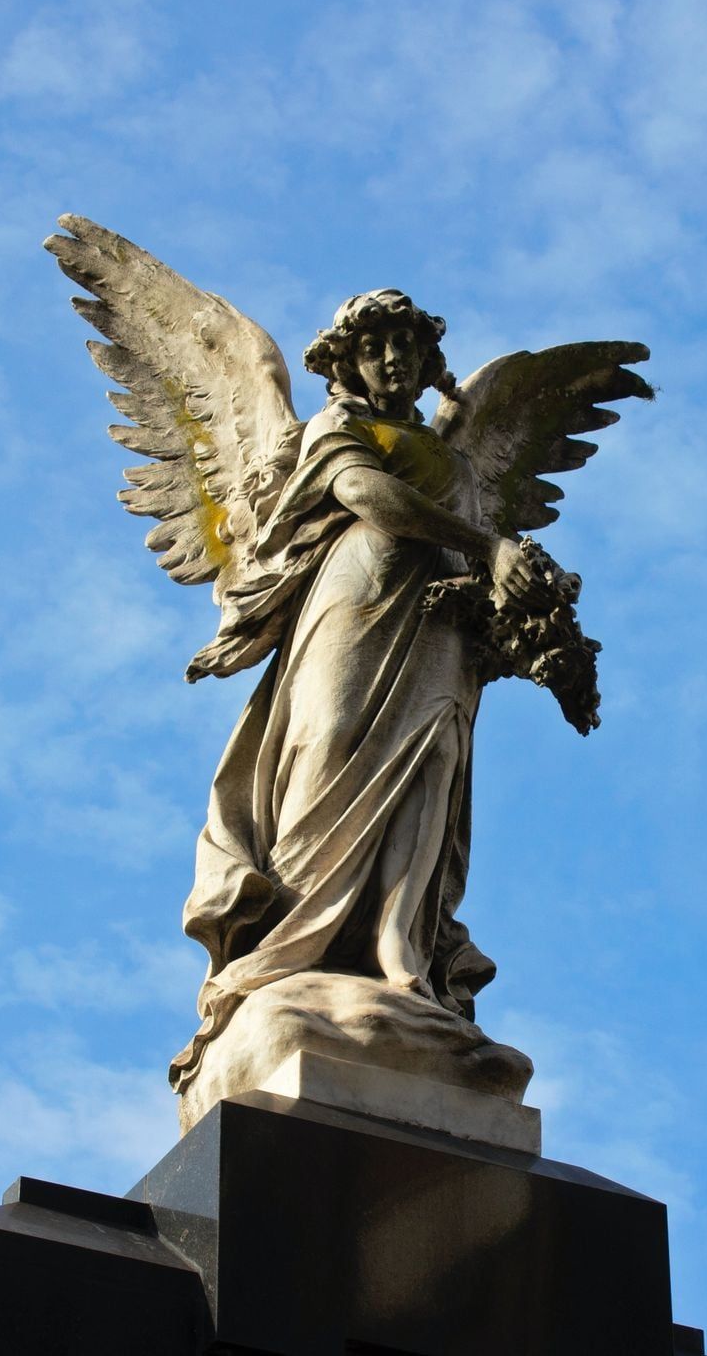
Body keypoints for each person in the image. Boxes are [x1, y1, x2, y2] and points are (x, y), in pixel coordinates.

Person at [166, 289, 542, 1100]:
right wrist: (488, 545)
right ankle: (290, 951)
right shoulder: (339, 430)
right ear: (348, 359)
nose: (395, 359)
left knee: (431, 761)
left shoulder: (458, 461)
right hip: (354, 598)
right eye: (378, 347)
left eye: (407, 345)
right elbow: (372, 499)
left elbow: (482, 565)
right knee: (328, 738)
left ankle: (400, 955)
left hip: (437, 623)